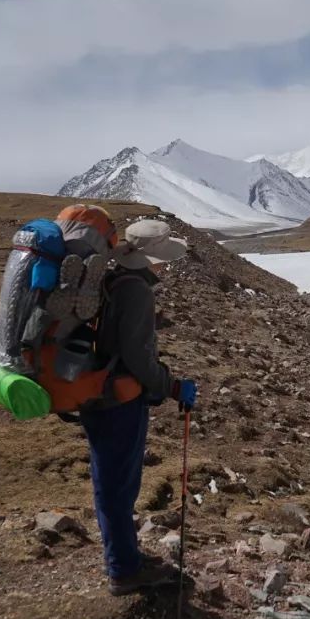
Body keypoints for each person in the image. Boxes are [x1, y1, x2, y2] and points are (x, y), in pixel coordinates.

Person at [80, 218, 198, 596]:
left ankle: (125, 557)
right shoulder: (137, 292)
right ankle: (123, 570)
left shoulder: (113, 281)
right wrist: (172, 386)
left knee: (111, 481)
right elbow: (137, 356)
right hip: (118, 400)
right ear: (147, 258)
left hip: (99, 393)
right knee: (117, 486)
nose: (165, 266)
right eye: (162, 259)